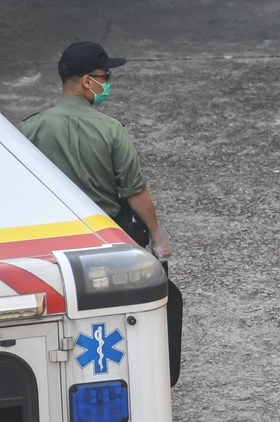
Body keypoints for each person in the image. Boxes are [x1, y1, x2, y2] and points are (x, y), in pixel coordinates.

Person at [18, 41, 182, 386]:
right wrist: (158, 239)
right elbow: (135, 193)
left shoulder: (29, 130)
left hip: (47, 242)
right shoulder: (110, 130)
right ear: (85, 82)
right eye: (104, 78)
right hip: (103, 240)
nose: (108, 85)